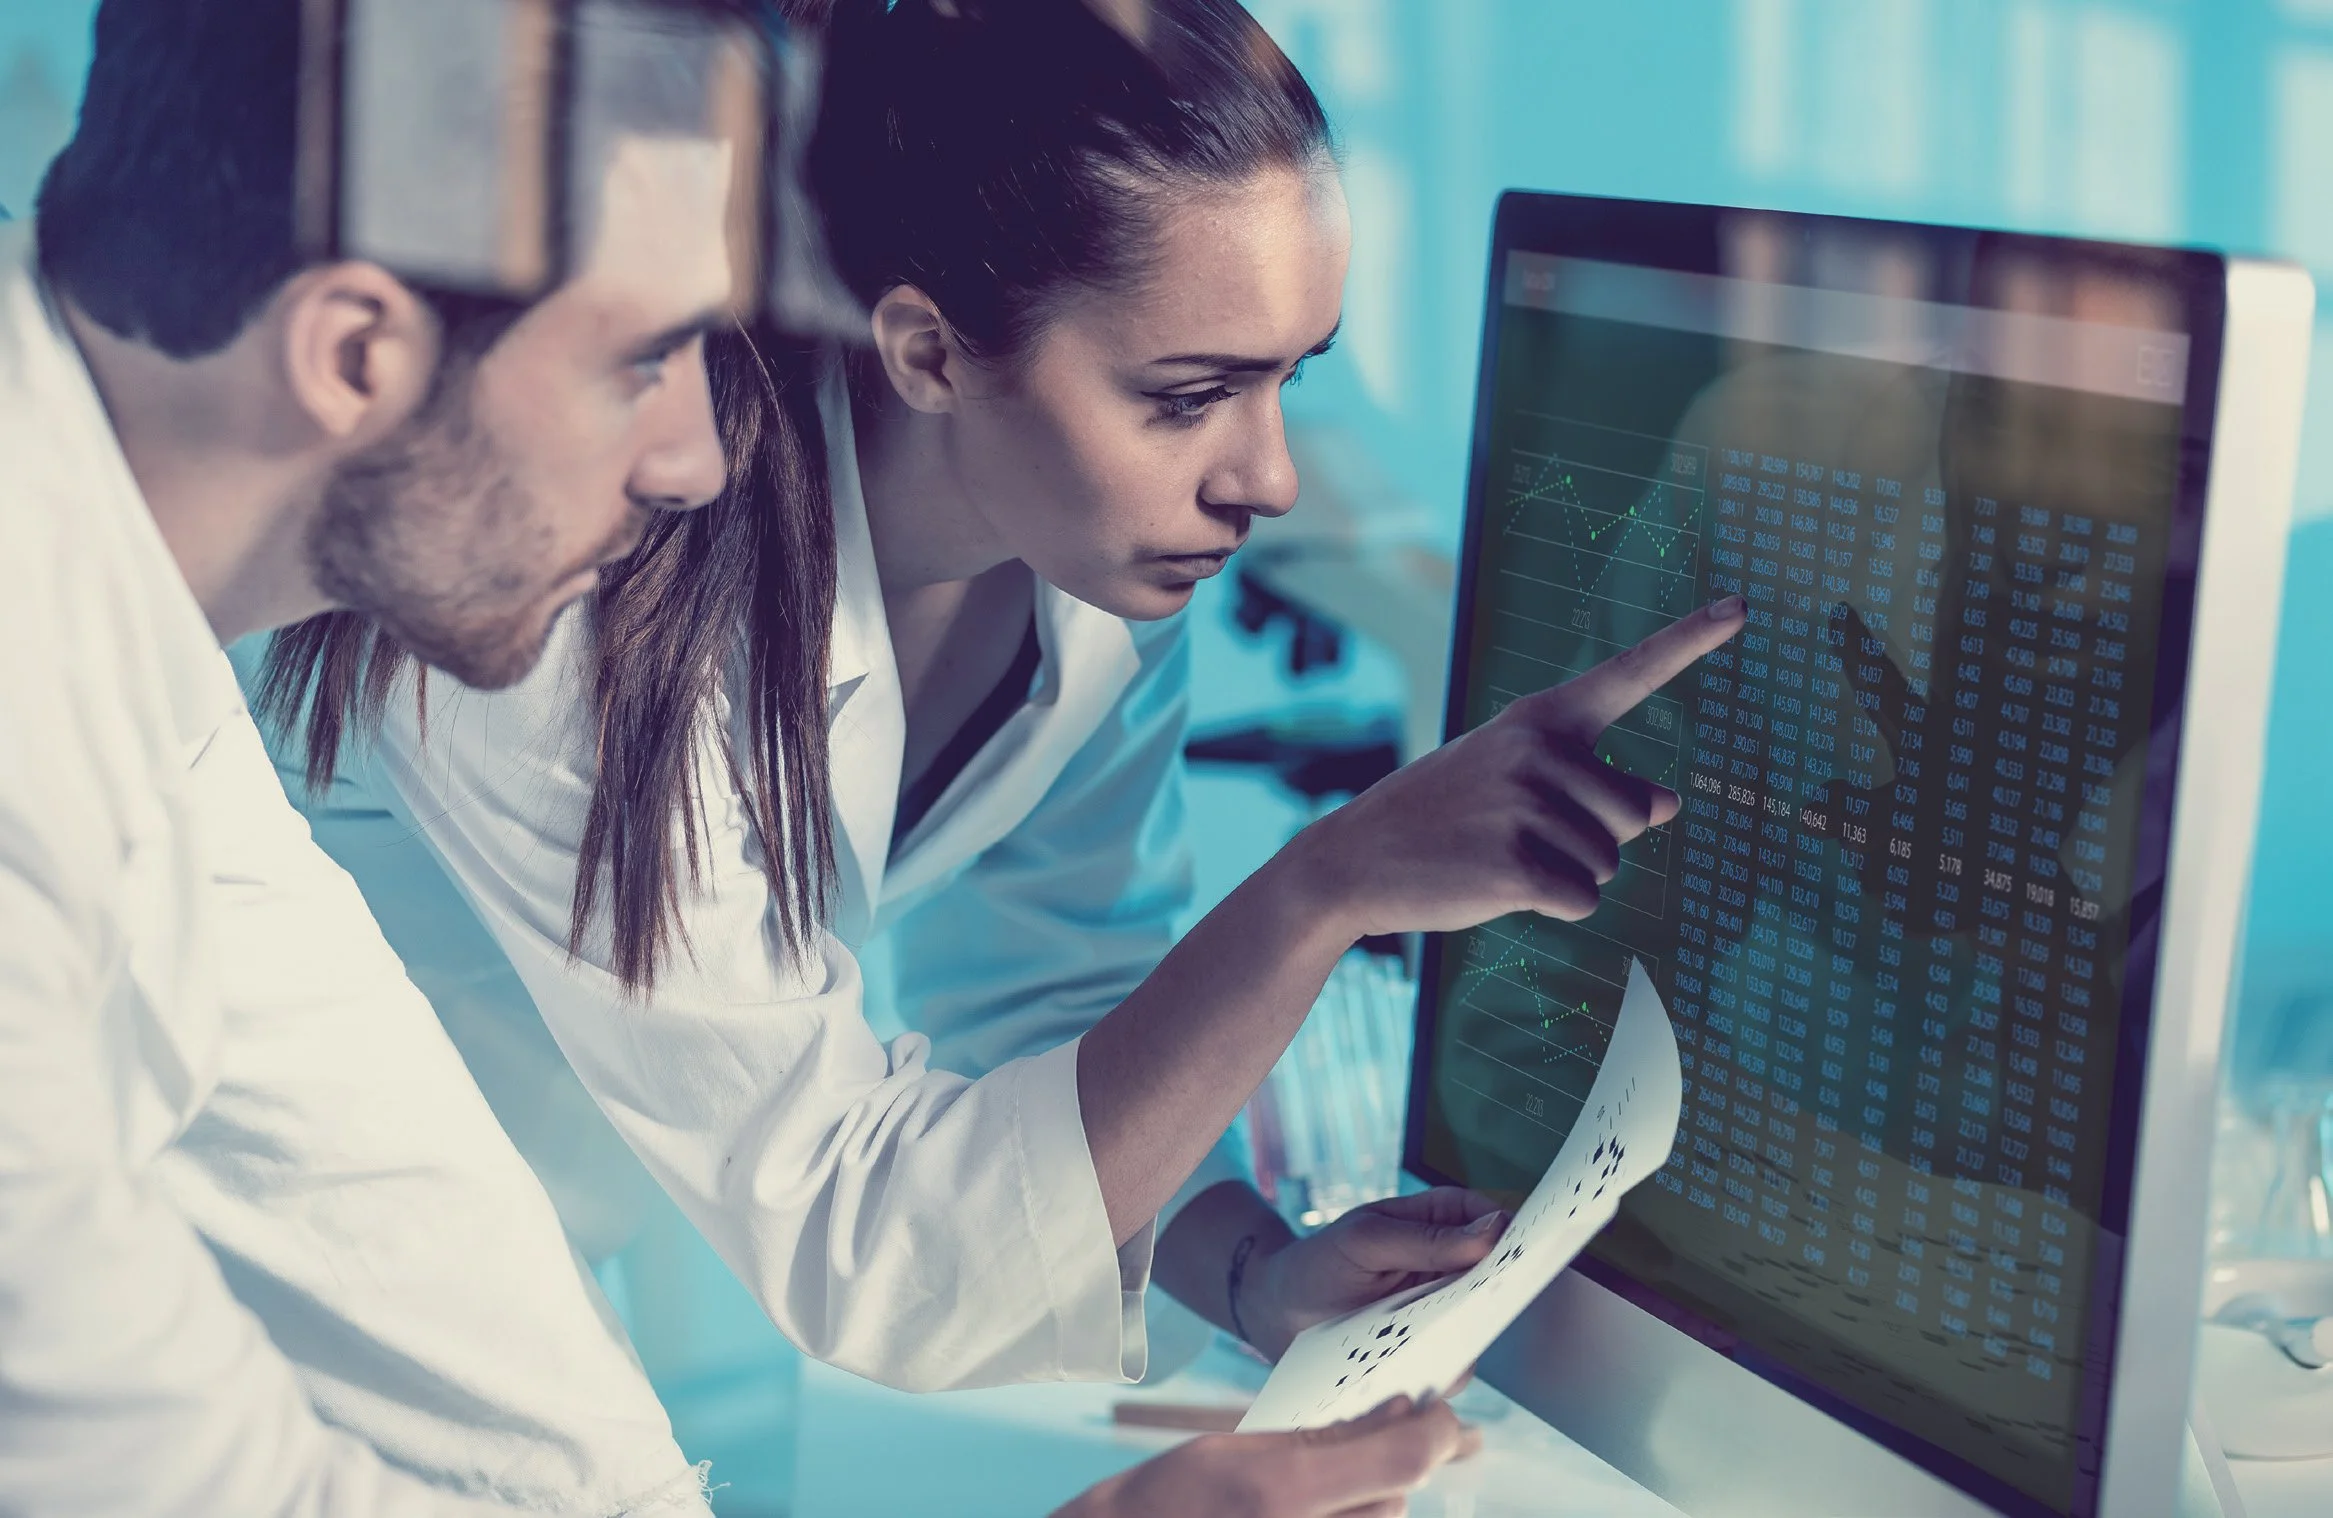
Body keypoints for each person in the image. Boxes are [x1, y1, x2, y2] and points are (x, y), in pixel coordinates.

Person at [260, 0, 1743, 1471]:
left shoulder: (1096, 578)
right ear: (925, 350)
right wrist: (1328, 883)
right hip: (299, 1303)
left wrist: (1254, 1273)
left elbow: (1061, 1005)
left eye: (1293, 374)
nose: (1270, 476)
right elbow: (860, 1238)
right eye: (1187, 397)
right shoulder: (583, 606)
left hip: (579, 1267)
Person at [0, 0, 762, 1509]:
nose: (697, 459)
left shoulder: (130, 611)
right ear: (354, 352)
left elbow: (426, 1258)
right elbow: (176, 1470)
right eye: (643, 361)